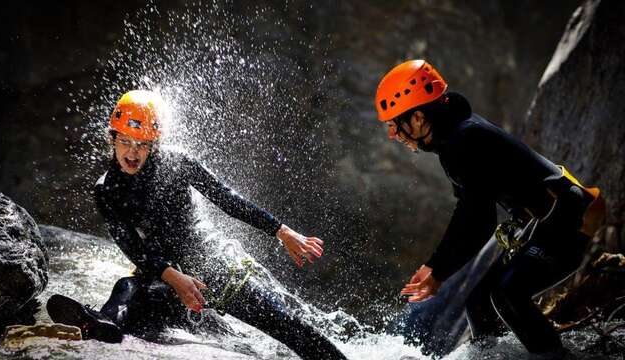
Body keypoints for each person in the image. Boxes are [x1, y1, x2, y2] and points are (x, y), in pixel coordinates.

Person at [47, 90, 347, 360]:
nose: (132, 153)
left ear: (154, 145)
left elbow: (227, 198)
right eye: (124, 141)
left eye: (142, 145)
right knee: (128, 288)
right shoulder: (106, 189)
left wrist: (280, 230)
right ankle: (101, 324)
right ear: (112, 139)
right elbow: (131, 245)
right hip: (164, 277)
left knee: (285, 324)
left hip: (208, 266)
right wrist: (174, 279)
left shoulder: (176, 163)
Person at [374, 60, 604, 355]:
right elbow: (467, 210)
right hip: (552, 218)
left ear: (417, 118)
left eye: (394, 124)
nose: (392, 134)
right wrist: (436, 266)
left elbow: (478, 218)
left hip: (569, 216)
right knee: (479, 304)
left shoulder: (464, 140)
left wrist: (438, 270)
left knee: (507, 295)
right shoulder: (455, 137)